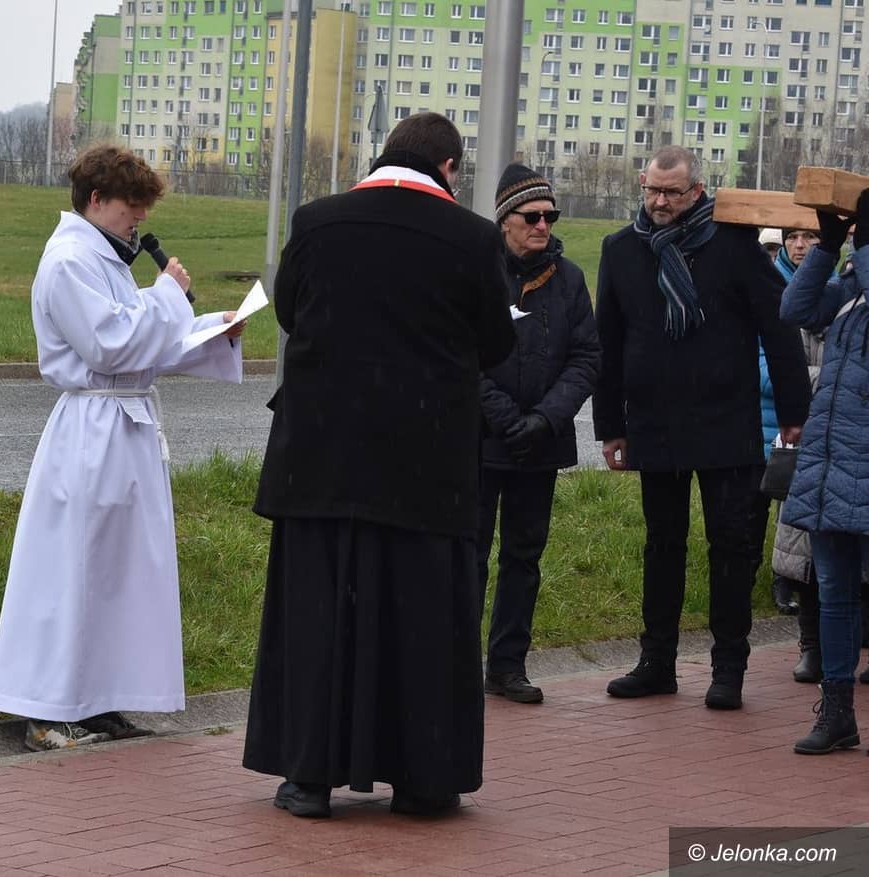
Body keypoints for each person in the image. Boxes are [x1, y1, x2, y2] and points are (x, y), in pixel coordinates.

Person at [243, 112, 517, 818]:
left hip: (321, 458)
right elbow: (496, 343)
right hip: (424, 462)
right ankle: (424, 779)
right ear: (449, 168)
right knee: (421, 621)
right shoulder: (473, 238)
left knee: (316, 617)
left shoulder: (316, 221)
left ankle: (308, 776)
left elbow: (292, 312)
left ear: (384, 155)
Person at [0, 144, 245, 751]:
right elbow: (112, 345)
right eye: (132, 205)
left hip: (123, 427)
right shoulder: (69, 261)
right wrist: (168, 296)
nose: (140, 218)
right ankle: (47, 709)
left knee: (117, 572)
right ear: (97, 199)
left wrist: (212, 328)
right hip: (91, 431)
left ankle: (98, 697)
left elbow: (143, 344)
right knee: (76, 567)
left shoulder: (104, 257)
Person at [592, 145, 811, 710]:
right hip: (654, 422)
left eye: (672, 192)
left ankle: (728, 669)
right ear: (643, 186)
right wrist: (610, 426)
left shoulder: (734, 246)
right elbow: (607, 344)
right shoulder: (621, 250)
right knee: (662, 544)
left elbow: (779, 330)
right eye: (652, 190)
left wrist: (794, 414)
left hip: (726, 422)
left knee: (731, 546)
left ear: (697, 192)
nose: (660, 202)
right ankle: (656, 663)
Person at [476, 165, 600, 705]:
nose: (543, 225)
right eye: (532, 216)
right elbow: (460, 353)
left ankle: (508, 665)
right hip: (480, 441)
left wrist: (546, 419)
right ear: (506, 219)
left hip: (540, 444)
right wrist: (504, 418)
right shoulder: (476, 273)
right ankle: (455, 666)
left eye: (551, 216)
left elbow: (586, 357)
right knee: (468, 556)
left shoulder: (568, 279)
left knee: (523, 559)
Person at [780, 188, 869, 754]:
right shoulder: (852, 289)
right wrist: (827, 248)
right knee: (835, 593)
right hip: (833, 463)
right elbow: (795, 310)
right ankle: (838, 713)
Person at [758, 226, 822, 616]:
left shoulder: (836, 289)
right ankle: (779, 577)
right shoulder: (767, 286)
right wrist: (823, 381)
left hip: (823, 423)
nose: (800, 245)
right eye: (792, 236)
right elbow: (759, 367)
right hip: (769, 425)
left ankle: (800, 579)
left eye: (810, 237)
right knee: (763, 514)